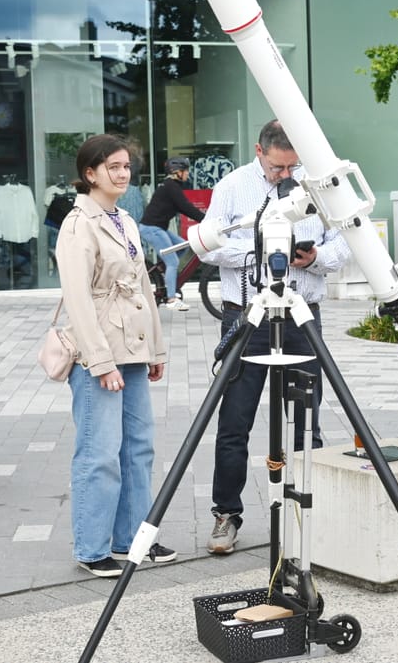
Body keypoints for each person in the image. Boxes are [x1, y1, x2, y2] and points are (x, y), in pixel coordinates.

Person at [199, 120, 351, 555]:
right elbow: (206, 245)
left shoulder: (317, 186)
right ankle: (226, 513)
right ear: (259, 151)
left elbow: (344, 242)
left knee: (307, 422)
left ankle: (308, 515)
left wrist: (314, 257)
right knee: (234, 422)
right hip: (248, 314)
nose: (286, 176)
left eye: (292, 167)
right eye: (278, 167)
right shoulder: (232, 186)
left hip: (301, 315)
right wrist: (258, 252)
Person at [54, 134, 177, 578]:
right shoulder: (77, 225)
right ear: (90, 174)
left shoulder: (123, 217)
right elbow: (78, 300)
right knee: (100, 452)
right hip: (98, 357)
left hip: (134, 349)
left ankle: (132, 539)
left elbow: (144, 287)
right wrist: (101, 363)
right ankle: (91, 547)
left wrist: (155, 349)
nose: (123, 174)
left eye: (126, 166)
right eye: (113, 167)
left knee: (138, 449)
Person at [138, 156, 206, 311]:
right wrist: (205, 219)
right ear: (177, 172)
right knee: (173, 262)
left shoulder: (171, 186)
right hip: (151, 229)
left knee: (183, 246)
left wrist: (203, 219)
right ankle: (171, 299)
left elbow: (183, 207)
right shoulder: (171, 187)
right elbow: (186, 207)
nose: (188, 174)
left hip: (157, 227)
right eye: (186, 171)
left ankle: (161, 272)